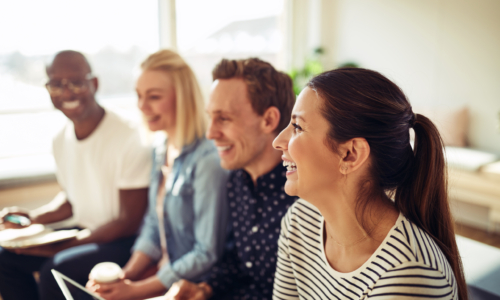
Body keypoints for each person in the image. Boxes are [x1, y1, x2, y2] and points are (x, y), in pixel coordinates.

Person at [271, 68, 468, 299]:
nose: (278, 142)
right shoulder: (300, 221)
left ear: (350, 155)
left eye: (297, 127)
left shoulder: (410, 275)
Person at [0, 50, 151, 300]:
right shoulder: (60, 140)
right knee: (4, 259)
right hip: (86, 232)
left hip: (125, 240)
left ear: (94, 84)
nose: (67, 92)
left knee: (55, 268)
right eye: (56, 84)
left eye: (76, 82)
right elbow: (71, 199)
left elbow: (128, 222)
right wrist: (34, 218)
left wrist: (59, 246)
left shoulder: (129, 135)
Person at [86, 49, 229, 300]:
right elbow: (153, 224)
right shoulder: (161, 148)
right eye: (139, 95)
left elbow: (206, 253)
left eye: (153, 96)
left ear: (182, 98)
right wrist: (125, 276)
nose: (142, 106)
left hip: (193, 287)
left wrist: (135, 290)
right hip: (163, 273)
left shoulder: (208, 161)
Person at [165, 58, 298, 300]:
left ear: (268, 120)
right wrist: (204, 289)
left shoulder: (305, 193)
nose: (210, 133)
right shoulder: (238, 179)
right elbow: (238, 263)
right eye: (210, 117)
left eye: (224, 118)